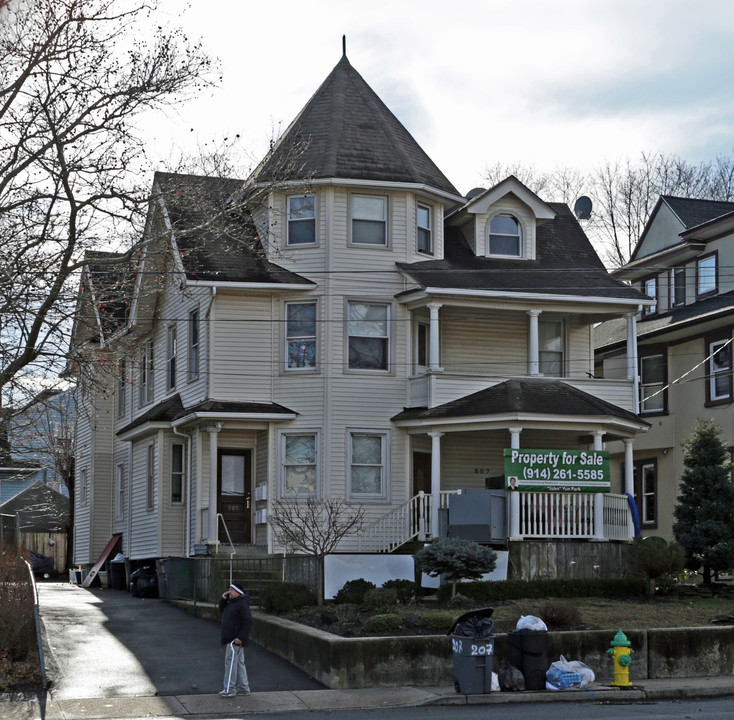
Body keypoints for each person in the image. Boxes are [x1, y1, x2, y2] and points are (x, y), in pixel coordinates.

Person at [218, 583, 252, 697]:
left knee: (231, 663)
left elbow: (247, 622)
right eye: (229, 589)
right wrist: (223, 599)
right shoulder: (233, 603)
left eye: (232, 589)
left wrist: (240, 637)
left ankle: (230, 689)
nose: (229, 592)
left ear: (238, 591)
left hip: (235, 639)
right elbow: (222, 610)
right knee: (238, 663)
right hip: (233, 638)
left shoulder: (241, 604)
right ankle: (243, 688)